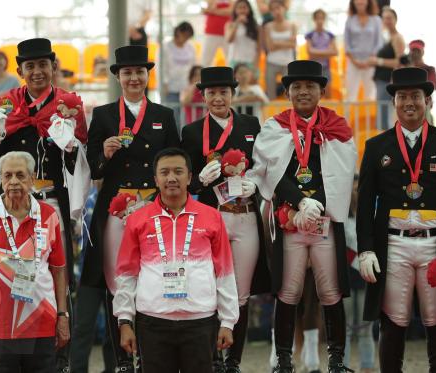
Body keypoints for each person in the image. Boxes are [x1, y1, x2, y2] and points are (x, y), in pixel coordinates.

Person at [0, 38, 89, 372]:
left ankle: (60, 354)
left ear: (53, 66)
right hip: (13, 209)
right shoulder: (5, 104)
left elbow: (76, 165)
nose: (37, 72)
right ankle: (12, 348)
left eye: (43, 65)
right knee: (12, 276)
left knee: (59, 273)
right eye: (30, 66)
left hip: (51, 204)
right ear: (20, 71)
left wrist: (69, 145)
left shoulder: (69, 104)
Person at [356, 67, 436, 372]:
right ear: (393, 102)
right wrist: (366, 248)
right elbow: (365, 204)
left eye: (416, 96)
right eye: (403, 96)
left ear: (428, 101)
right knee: (393, 320)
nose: (410, 102)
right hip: (394, 245)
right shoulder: (376, 146)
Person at [248, 60, 357, 373]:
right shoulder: (275, 127)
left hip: (324, 221)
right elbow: (269, 171)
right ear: (288, 92)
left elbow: (342, 173)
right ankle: (284, 360)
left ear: (321, 90)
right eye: (297, 87)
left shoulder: (337, 126)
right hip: (291, 219)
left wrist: (318, 204)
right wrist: (298, 202)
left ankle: (336, 359)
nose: (304, 92)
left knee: (330, 290)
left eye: (310, 86)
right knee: (288, 290)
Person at [82, 44, 180, 372]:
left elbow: (174, 163)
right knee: (115, 282)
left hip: (153, 207)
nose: (134, 78)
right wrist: (104, 156)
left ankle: (150, 358)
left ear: (148, 75)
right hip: (115, 210)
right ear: (119, 77)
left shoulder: (164, 115)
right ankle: (121, 360)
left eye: (140, 72)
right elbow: (92, 169)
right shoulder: (104, 114)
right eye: (128, 73)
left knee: (153, 278)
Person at [112, 147, 239, 373]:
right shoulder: (137, 220)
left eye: (178, 172)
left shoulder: (212, 217)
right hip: (152, 321)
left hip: (200, 321)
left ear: (190, 177)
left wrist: (228, 322)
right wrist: (124, 321)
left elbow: (225, 272)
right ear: (156, 178)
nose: (171, 178)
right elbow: (126, 274)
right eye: (165, 172)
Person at [181, 66, 271, 372]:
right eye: (212, 93)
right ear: (203, 96)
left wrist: (255, 184)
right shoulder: (192, 132)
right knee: (211, 288)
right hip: (213, 217)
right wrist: (199, 182)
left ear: (232, 93)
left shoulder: (250, 124)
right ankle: (215, 359)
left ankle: (234, 361)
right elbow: (187, 180)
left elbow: (261, 167)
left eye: (223, 92)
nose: (218, 98)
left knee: (240, 293)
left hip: (244, 216)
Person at [0, 151, 70, 372]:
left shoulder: (49, 214)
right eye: (7, 175)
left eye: (20, 175)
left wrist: (63, 316)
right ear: (0, 179)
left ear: (32, 179)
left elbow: (59, 270)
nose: (13, 182)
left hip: (43, 324)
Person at [343, 174, 375, 372]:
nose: (356, 193)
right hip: (346, 275)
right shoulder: (340, 215)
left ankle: (367, 364)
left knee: (365, 324)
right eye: (353, 189)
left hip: (365, 274)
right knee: (345, 325)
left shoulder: (370, 214)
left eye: (359, 189)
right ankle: (343, 364)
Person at [368, 6, 404, 131]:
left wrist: (378, 61)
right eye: (384, 18)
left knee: (385, 118)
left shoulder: (397, 38)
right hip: (381, 81)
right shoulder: (386, 38)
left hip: (387, 81)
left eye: (389, 18)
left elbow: (399, 62)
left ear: (395, 19)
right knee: (382, 116)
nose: (386, 21)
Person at [344, 0, 382, 102]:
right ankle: (348, 118)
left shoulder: (376, 20)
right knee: (350, 95)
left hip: (370, 63)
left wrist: (369, 61)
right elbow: (346, 44)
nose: (360, 2)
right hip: (353, 62)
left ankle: (370, 118)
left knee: (370, 95)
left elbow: (379, 43)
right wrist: (355, 61)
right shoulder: (350, 20)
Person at [162, 21, 196, 126]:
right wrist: (165, 83)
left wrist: (193, 84)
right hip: (171, 88)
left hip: (186, 88)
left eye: (188, 36)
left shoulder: (190, 47)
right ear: (178, 32)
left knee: (186, 119)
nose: (186, 38)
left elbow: (194, 66)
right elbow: (162, 67)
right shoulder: (166, 46)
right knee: (173, 118)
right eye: (185, 35)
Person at [263, 0, 297, 99]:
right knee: (270, 95)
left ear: (284, 8)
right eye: (273, 9)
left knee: (289, 94)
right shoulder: (268, 26)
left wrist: (276, 43)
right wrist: (287, 42)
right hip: (271, 62)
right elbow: (270, 47)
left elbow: (293, 45)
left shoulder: (292, 25)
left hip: (288, 63)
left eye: (278, 8)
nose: (276, 11)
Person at [305, 9, 338, 97]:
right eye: (318, 18)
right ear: (314, 19)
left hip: (326, 67)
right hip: (313, 68)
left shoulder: (330, 35)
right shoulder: (310, 35)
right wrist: (327, 52)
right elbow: (309, 51)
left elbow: (335, 52)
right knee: (312, 93)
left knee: (327, 92)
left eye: (322, 18)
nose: (320, 21)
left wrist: (316, 52)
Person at [225, 0, 261, 69]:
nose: (242, 10)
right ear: (235, 10)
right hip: (235, 60)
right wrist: (237, 23)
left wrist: (256, 63)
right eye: (239, 8)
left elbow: (259, 47)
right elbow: (229, 40)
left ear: (249, 9)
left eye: (244, 7)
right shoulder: (229, 25)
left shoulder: (256, 26)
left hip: (250, 61)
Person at [202, 0, 234, 66]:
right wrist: (222, 11)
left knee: (230, 59)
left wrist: (213, 11)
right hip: (211, 32)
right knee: (206, 60)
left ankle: (232, 76)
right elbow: (206, 10)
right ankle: (205, 76)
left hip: (227, 34)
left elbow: (232, 11)